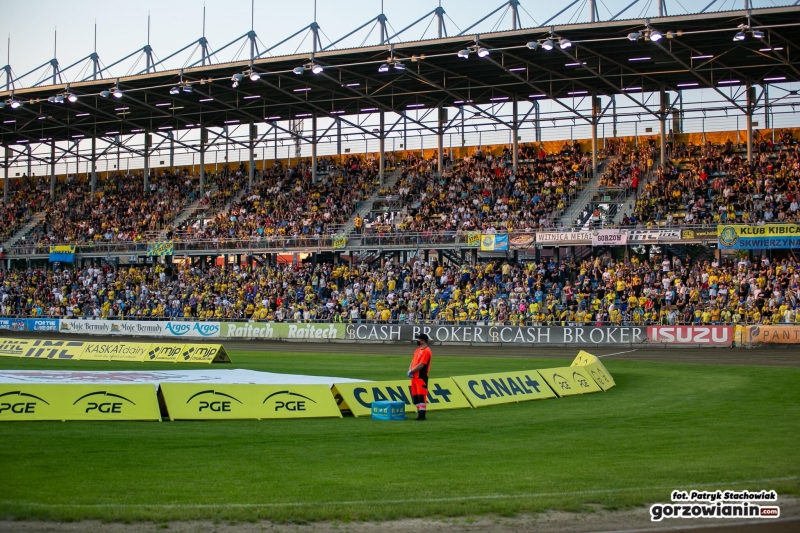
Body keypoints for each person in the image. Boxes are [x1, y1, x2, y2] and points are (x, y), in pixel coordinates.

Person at [408, 333, 432, 421]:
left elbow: (421, 365)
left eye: (419, 339)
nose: (417, 341)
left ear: (423, 341)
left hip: (421, 377)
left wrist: (411, 371)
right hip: (414, 377)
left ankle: (422, 415)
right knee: (415, 397)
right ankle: (419, 414)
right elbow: (413, 362)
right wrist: (410, 370)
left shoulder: (427, 351)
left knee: (421, 396)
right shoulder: (417, 350)